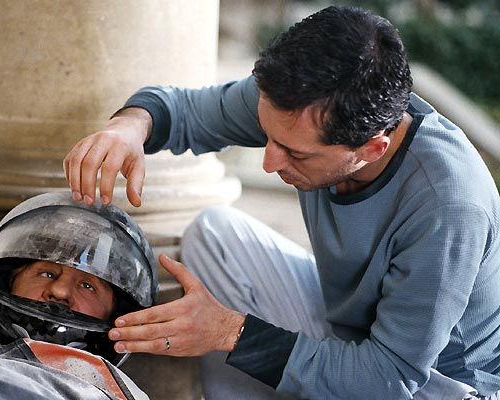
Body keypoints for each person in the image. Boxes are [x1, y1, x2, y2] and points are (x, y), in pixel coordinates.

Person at [63, 5, 500, 400]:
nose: (271, 162)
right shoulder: (302, 107)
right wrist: (128, 127)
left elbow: (389, 379)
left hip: (438, 385)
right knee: (215, 235)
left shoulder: (449, 207)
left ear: (372, 148)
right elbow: (185, 111)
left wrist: (229, 331)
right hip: (353, 328)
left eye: (296, 153)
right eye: (268, 136)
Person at [0, 192, 157, 400]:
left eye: (87, 286)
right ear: (8, 283)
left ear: (116, 315)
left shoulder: (113, 391)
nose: (59, 291)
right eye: (46, 273)